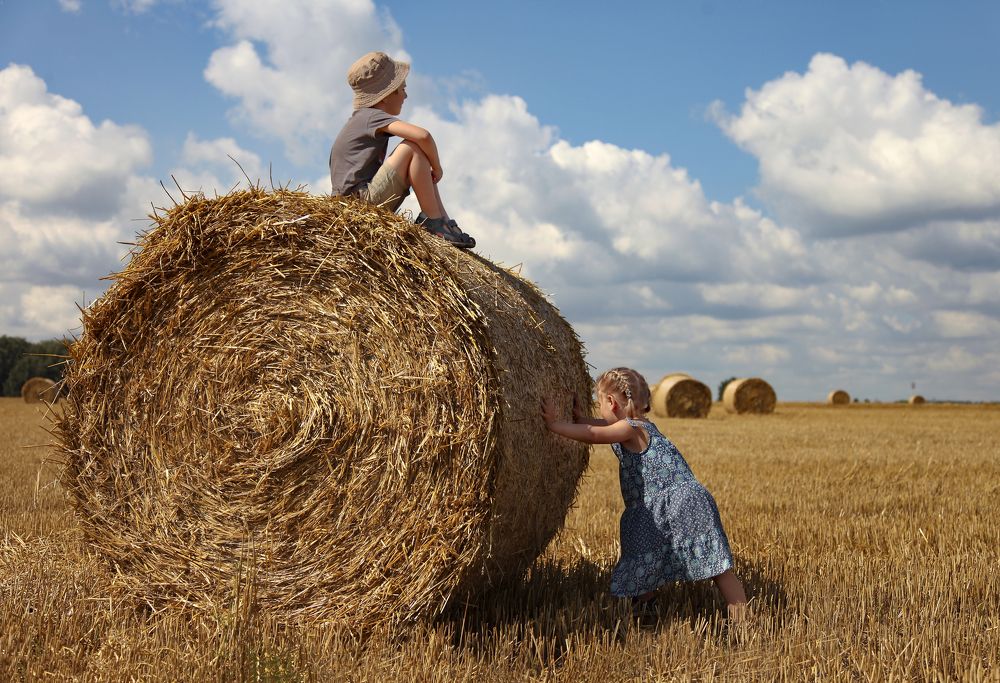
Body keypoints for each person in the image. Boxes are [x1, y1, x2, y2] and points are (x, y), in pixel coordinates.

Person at [541, 367, 747, 621]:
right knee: (718, 566)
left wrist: (554, 425)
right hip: (689, 498)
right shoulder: (643, 425)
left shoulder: (628, 429)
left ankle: (646, 609)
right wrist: (580, 418)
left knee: (640, 558)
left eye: (599, 403)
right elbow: (597, 425)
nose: (599, 410)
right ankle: (743, 619)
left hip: (668, 504)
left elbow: (594, 434)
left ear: (611, 402)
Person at [329, 51, 475, 249]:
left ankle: (441, 219)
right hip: (357, 207)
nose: (406, 95)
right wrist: (437, 168)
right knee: (411, 148)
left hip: (356, 205)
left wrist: (428, 166)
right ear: (386, 95)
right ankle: (432, 221)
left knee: (418, 154)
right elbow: (423, 135)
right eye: (402, 89)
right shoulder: (369, 116)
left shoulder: (363, 119)